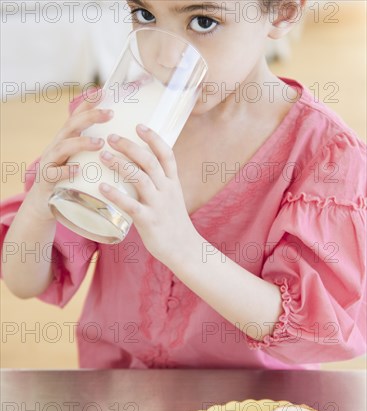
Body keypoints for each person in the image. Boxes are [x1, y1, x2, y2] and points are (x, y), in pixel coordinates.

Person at [1, 0, 366, 369]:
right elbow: (24, 281)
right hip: (123, 396)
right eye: (145, 15)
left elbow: (313, 330)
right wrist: (39, 207)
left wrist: (182, 247)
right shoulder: (115, 117)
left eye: (203, 21)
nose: (164, 57)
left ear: (284, 12)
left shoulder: (324, 156)